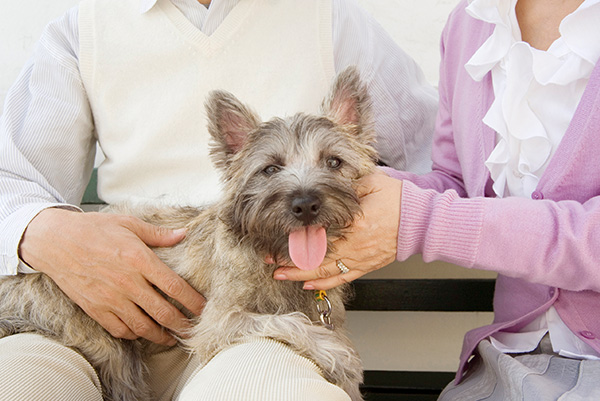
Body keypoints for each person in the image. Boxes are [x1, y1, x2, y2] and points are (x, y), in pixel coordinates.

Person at [0, 0, 438, 399]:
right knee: (21, 382)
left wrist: (377, 221)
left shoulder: (331, 16)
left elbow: (437, 163)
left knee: (275, 389)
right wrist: (43, 231)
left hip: (257, 332)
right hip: (82, 313)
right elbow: (11, 177)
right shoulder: (85, 26)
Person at [275, 0, 600, 399]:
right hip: (513, 361)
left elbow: (433, 216)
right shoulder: (471, 24)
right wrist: (348, 190)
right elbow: (456, 183)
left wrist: (420, 221)